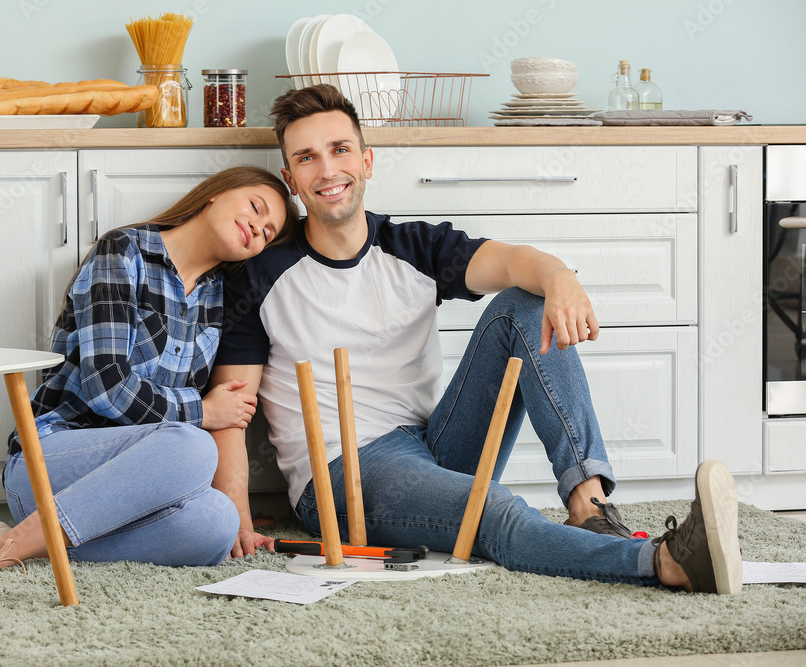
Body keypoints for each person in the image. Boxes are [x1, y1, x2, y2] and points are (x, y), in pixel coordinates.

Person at [207, 84, 743, 594]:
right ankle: (663, 563)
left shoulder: (413, 246)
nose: (327, 170)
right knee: (493, 508)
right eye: (306, 158)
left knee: (525, 304)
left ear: (366, 162)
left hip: (432, 445)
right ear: (291, 177)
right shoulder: (261, 273)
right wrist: (235, 513)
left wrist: (558, 276)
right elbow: (234, 405)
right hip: (344, 474)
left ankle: (589, 504)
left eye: (339, 149)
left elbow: (511, 262)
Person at [0, 166, 300, 584]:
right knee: (193, 444)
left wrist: (240, 514)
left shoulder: (219, 297)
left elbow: (226, 416)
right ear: (215, 194)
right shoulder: (122, 251)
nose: (256, 228)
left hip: (127, 493)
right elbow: (108, 387)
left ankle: (30, 537)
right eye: (255, 208)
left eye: (267, 232)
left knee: (216, 523)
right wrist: (202, 411)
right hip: (50, 463)